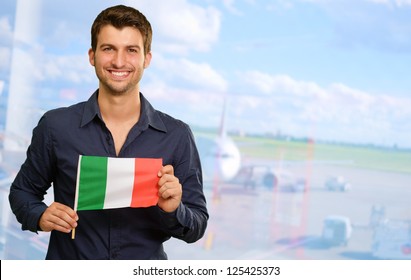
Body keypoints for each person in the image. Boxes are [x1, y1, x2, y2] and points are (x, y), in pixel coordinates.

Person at [8, 4, 208, 260]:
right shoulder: (56, 126)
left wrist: (173, 209)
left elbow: (197, 225)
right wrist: (40, 215)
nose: (119, 61)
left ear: (147, 58)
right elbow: (22, 192)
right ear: (92, 56)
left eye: (131, 50)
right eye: (108, 48)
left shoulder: (176, 135)